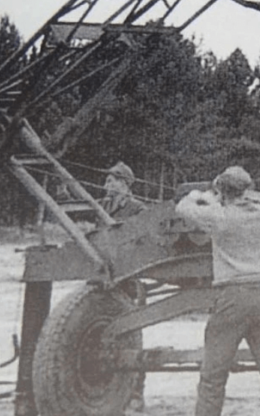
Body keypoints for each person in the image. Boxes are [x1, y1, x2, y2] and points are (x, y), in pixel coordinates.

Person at [176, 166, 260, 416]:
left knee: (213, 376)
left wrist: (201, 194)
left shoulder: (219, 217)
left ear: (222, 191)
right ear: (247, 189)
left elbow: (183, 208)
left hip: (233, 298)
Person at [98, 161, 148, 412]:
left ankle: (136, 392)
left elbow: (142, 243)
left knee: (131, 336)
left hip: (128, 280)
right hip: (106, 279)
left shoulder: (138, 209)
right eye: (107, 181)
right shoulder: (104, 206)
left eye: (111, 181)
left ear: (125, 184)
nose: (107, 186)